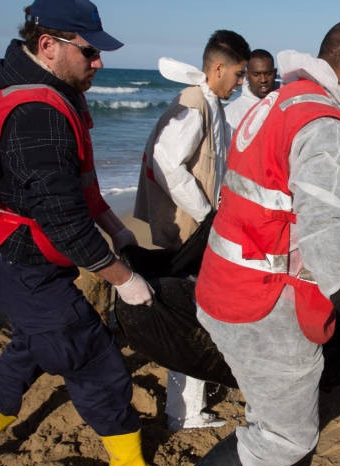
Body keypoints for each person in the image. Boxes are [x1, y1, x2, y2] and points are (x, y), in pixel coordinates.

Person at [151, 19, 340, 466]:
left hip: (227, 281)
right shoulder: (324, 124)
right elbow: (321, 234)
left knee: (278, 412)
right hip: (264, 299)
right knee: (290, 434)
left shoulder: (282, 99)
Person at [0, 0, 176, 466]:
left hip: (17, 256)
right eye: (90, 52)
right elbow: (63, 223)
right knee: (92, 356)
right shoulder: (37, 114)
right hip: (18, 262)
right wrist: (124, 279)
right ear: (49, 46)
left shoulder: (58, 93)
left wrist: (115, 227)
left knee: (32, 346)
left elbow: (78, 187)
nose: (99, 63)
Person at [134, 30, 249, 432]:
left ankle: (188, 405)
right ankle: (182, 412)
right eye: (238, 74)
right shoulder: (194, 102)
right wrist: (206, 215)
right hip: (186, 231)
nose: (240, 82)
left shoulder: (210, 102)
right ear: (218, 68)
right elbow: (168, 163)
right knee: (190, 316)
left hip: (196, 228)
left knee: (196, 313)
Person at [224, 49, 278, 132]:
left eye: (268, 73)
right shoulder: (231, 115)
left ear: (275, 73)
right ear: (247, 75)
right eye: (256, 74)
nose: (263, 80)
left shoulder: (287, 103)